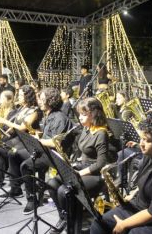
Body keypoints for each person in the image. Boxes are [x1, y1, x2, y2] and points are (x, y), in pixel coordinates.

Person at [90, 115, 152, 234]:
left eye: (147, 140)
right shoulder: (151, 153)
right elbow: (147, 180)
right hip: (141, 206)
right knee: (99, 224)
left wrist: (124, 224)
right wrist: (134, 193)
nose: (141, 144)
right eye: (141, 138)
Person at [47, 97, 117, 233]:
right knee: (52, 183)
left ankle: (73, 226)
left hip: (95, 173)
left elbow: (101, 163)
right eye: (79, 114)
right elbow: (81, 151)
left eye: (83, 114)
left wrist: (79, 173)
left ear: (93, 114)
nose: (79, 117)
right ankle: (65, 217)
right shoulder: (86, 128)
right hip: (82, 166)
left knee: (65, 190)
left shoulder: (101, 133)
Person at [14, 88, 74, 215]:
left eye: (42, 99)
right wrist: (38, 135)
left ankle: (32, 199)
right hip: (45, 151)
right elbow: (48, 136)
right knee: (17, 155)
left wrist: (38, 141)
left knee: (26, 166)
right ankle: (34, 191)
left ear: (50, 101)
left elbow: (55, 142)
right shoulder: (49, 114)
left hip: (55, 156)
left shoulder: (59, 117)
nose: (39, 102)